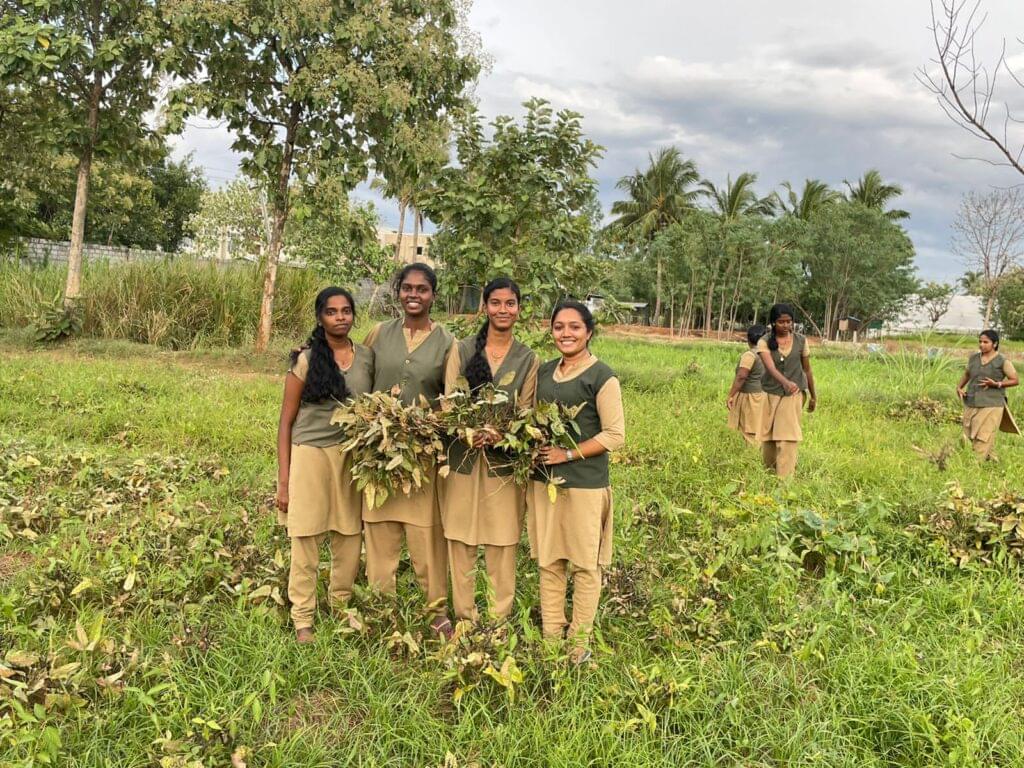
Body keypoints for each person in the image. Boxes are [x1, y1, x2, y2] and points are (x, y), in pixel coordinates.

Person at [526, 300, 625, 664]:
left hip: (584, 484)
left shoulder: (601, 376)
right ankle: (552, 637)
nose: (565, 334)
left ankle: (578, 644)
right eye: (558, 327)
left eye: (574, 327)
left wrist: (567, 455)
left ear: (589, 331)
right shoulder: (545, 372)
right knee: (550, 561)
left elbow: (615, 435)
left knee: (585, 566)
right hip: (543, 481)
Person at [276, 287, 374, 643]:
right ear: (320, 317)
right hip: (310, 454)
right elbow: (285, 422)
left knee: (349, 535)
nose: (340, 317)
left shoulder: (366, 358)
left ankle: (340, 605)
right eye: (332, 312)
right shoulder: (304, 360)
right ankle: (303, 616)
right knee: (305, 536)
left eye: (346, 311)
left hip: (350, 456)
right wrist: (284, 482)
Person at [361, 263, 455, 636]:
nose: (413, 295)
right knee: (379, 530)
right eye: (406, 288)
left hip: (421, 456)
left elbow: (452, 397)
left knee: (425, 536)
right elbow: (355, 374)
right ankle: (380, 610)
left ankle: (436, 612)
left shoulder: (448, 343)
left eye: (422, 289)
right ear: (397, 292)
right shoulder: (378, 334)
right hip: (379, 454)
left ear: (434, 295)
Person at [440, 277, 539, 624]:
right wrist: (469, 431)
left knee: (503, 540)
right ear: (484, 307)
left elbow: (526, 411)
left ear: (519, 309)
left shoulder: (528, 358)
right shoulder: (463, 349)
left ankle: (499, 619)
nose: (502, 310)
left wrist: (499, 435)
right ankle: (465, 617)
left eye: (509, 303)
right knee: (461, 540)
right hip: (462, 458)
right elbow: (450, 401)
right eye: (495, 303)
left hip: (504, 463)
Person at [756, 303, 816, 478]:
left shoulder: (801, 341)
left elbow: (808, 370)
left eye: (789, 322)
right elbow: (771, 368)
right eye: (781, 322)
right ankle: (769, 473)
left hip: (794, 394)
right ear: (773, 323)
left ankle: (784, 481)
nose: (785, 325)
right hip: (771, 393)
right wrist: (785, 382)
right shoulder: (764, 341)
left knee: (788, 436)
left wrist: (813, 396)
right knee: (769, 437)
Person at [957, 329, 1019, 460]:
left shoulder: (1002, 361)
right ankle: (992, 461)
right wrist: (959, 387)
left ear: (994, 344)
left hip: (992, 403)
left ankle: (975, 465)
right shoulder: (974, 358)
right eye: (980, 341)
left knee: (984, 435)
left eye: (986, 342)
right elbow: (967, 374)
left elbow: (1015, 380)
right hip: (972, 400)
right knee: (968, 432)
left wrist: (997, 384)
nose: (981, 344)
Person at [726, 324, 768, 446]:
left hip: (750, 396)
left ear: (748, 340)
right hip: (762, 394)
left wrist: (730, 395)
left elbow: (741, 377)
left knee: (749, 429)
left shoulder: (750, 355)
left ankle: (752, 457)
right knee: (757, 426)